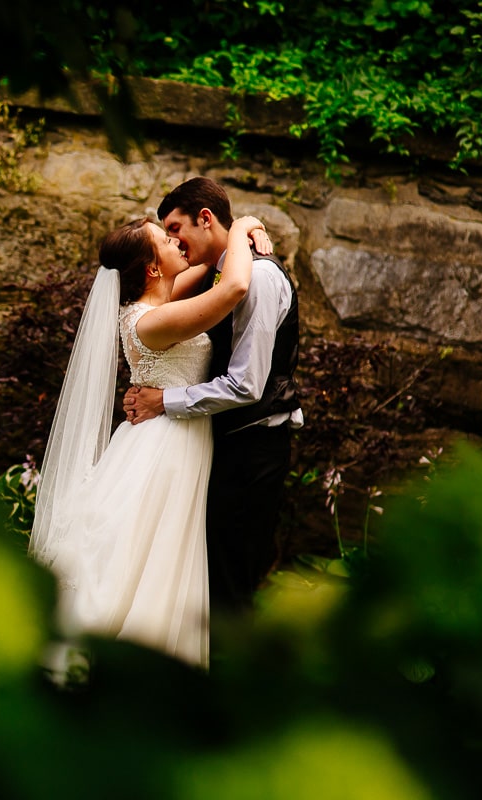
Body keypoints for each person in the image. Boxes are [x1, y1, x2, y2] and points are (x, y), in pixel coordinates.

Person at [30, 214, 269, 668]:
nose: (177, 239)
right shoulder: (148, 322)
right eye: (166, 238)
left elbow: (207, 260)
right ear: (153, 267)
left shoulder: (162, 301)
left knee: (155, 555)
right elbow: (233, 286)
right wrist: (245, 227)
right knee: (142, 555)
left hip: (173, 439)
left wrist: (225, 230)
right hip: (163, 451)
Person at [123, 177, 303, 622]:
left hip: (253, 448)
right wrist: (243, 225)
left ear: (205, 219)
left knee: (229, 579)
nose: (174, 241)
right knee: (199, 574)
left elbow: (246, 386)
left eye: (176, 228)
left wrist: (163, 400)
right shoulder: (223, 270)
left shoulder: (256, 277)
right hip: (222, 444)